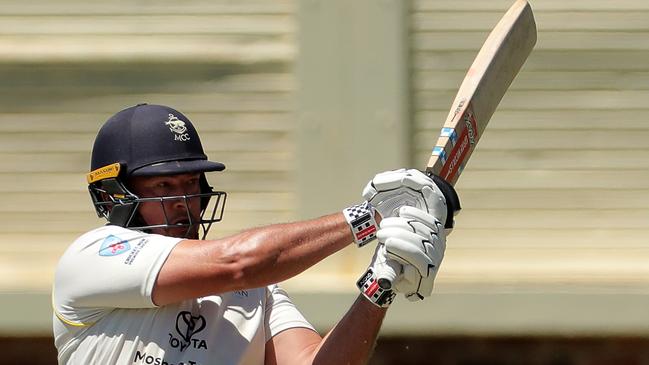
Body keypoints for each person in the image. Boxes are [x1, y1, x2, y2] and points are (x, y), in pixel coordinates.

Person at [52, 103, 459, 365]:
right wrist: (370, 216)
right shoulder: (92, 256)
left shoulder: (256, 293)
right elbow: (240, 262)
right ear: (114, 194)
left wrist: (379, 285)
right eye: (162, 186)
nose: (183, 201)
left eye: (190, 183)